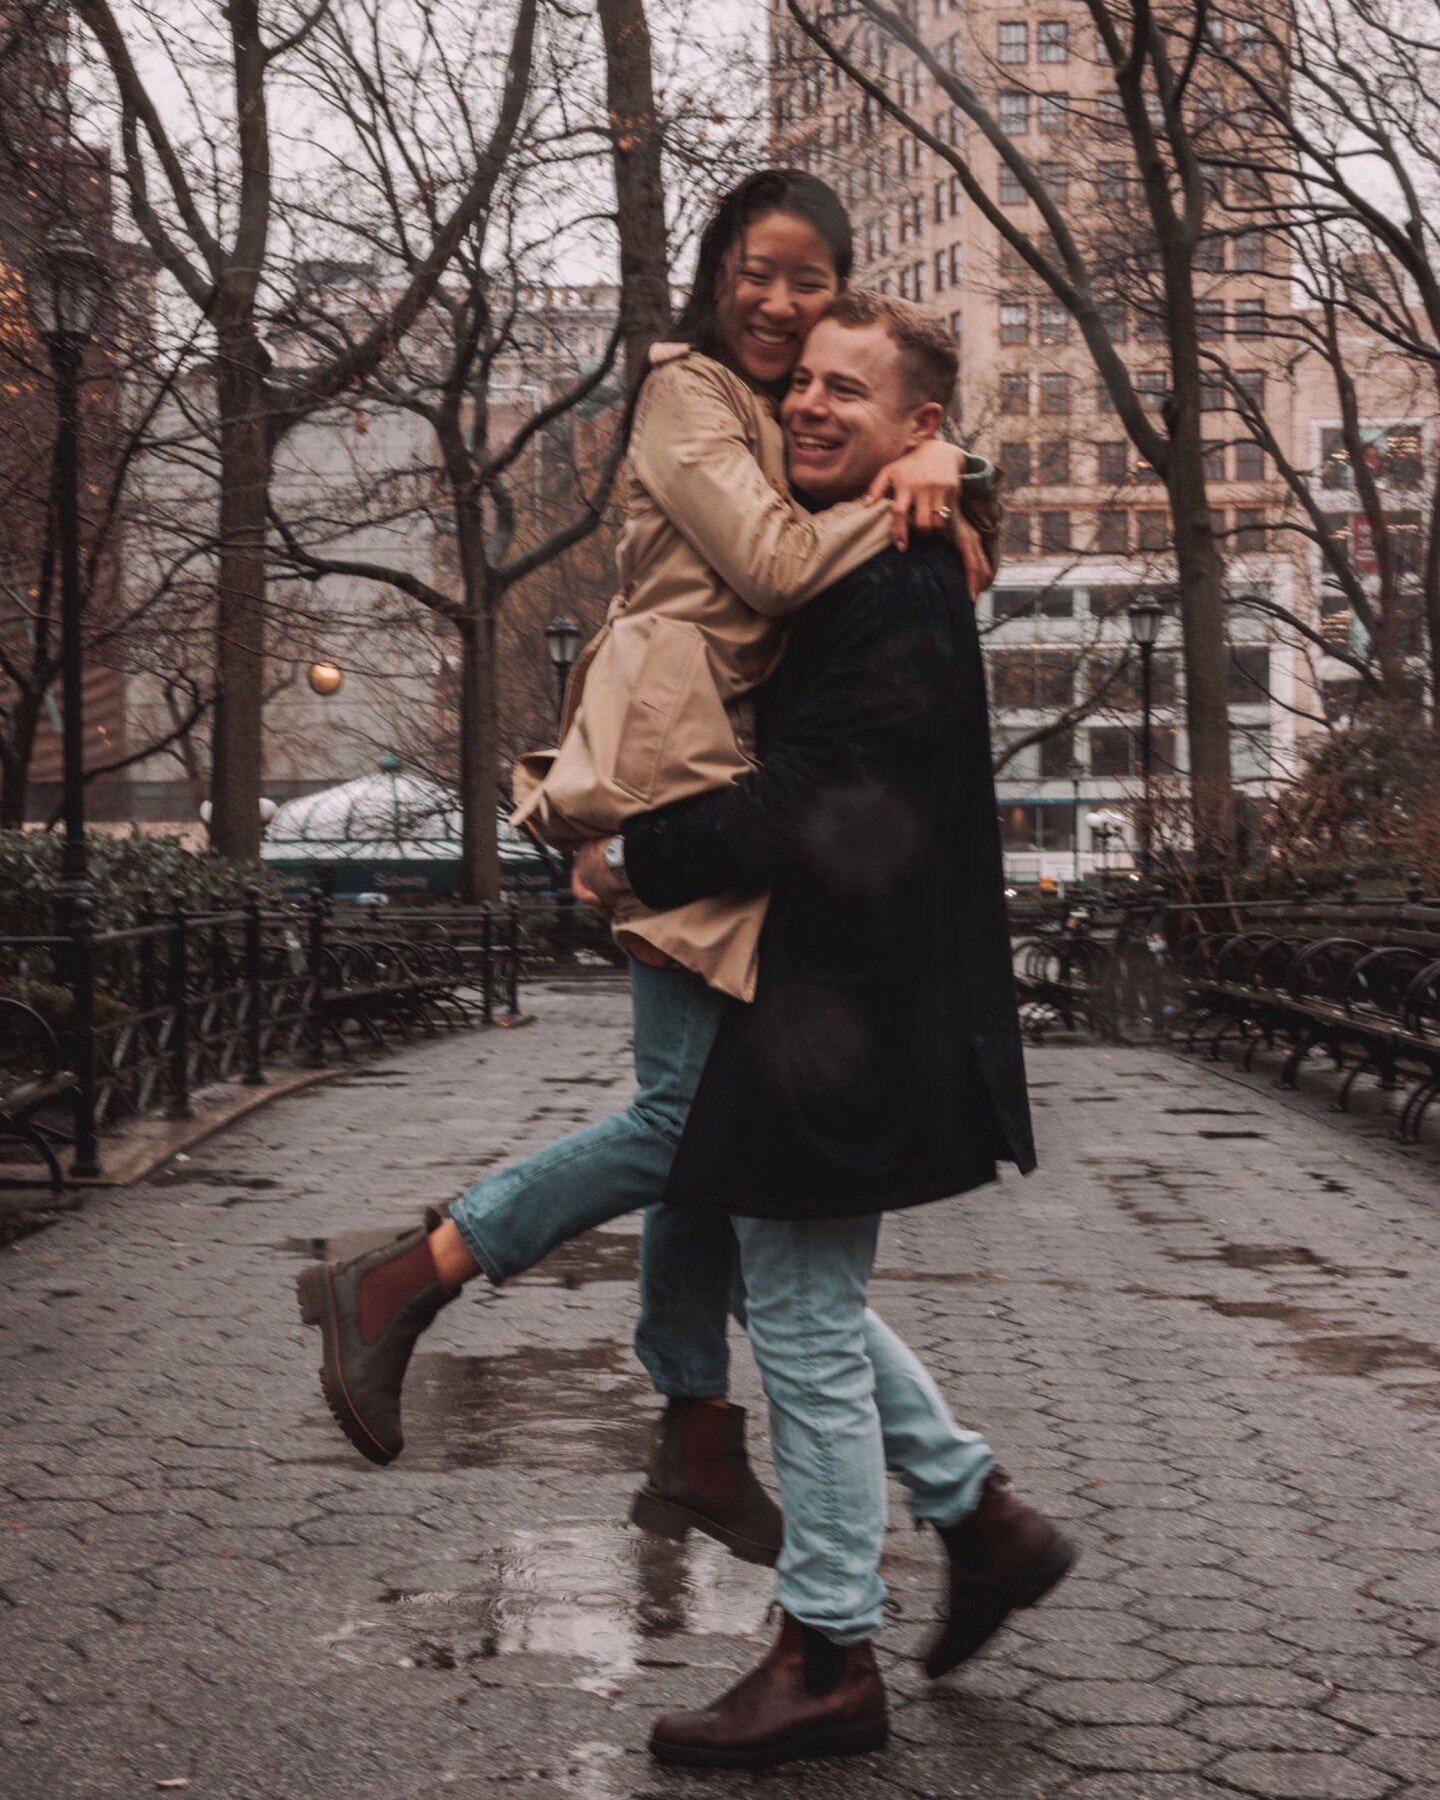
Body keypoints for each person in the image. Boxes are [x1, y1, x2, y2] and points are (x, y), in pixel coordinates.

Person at [295, 183, 1072, 1763]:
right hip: (719, 832)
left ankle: (444, 1289)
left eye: (824, 313)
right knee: (746, 1211)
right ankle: (919, 1515)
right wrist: (930, 457)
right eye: (767, 293)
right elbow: (787, 566)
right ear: (716, 277)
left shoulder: (882, 560)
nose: (794, 341)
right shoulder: (694, 400)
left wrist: (948, 461)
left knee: (710, 1171)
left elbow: (813, 678)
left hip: (801, 945)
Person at [567, 289, 1073, 1769]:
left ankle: (830, 1653)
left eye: (851, 391)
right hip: (830, 1007)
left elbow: (817, 801)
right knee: (804, 1300)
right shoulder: (868, 552)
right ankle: (980, 1519)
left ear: (919, 426)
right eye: (806, 383)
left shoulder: (894, 576)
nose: (809, 403)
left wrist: (636, 855)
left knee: (794, 1315)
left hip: (848, 1010)